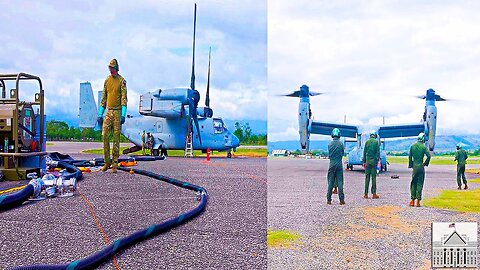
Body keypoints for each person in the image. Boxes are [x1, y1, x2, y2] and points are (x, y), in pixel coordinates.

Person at [97, 58, 128, 173]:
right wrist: (100, 113)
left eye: (113, 68)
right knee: (104, 135)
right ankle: (107, 161)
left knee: (116, 138)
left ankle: (115, 163)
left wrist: (123, 114)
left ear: (116, 68)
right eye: (109, 68)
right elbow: (104, 98)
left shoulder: (122, 81)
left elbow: (124, 99)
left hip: (118, 111)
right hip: (109, 111)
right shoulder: (107, 81)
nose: (111, 70)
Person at [408, 132, 431, 207]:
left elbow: (410, 157)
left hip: (415, 166)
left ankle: (412, 200)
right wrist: (425, 163)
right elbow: (429, 156)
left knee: (413, 183)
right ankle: (418, 201)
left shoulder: (412, 146)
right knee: (420, 183)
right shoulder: (424, 147)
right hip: (421, 166)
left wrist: (411, 165)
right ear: (423, 139)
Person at [327, 128, 345, 205]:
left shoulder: (329, 144)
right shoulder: (341, 144)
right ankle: (341, 200)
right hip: (339, 164)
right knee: (340, 182)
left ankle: (329, 200)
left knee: (330, 182)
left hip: (331, 164)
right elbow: (342, 153)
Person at [363, 131, 380, 199]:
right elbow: (377, 153)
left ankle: (366, 194)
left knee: (367, 178)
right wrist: (377, 160)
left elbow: (364, 152)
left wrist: (364, 161)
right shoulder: (376, 142)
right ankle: (374, 194)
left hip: (367, 161)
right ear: (375, 135)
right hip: (373, 162)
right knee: (373, 178)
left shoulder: (367, 142)